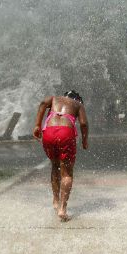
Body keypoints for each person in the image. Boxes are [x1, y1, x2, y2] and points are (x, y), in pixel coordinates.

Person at [33, 91, 88, 221]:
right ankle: (62, 209)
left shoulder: (54, 98)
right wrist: (85, 140)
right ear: (78, 99)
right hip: (65, 132)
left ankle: (56, 200)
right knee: (67, 173)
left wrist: (37, 125)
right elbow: (84, 124)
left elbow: (42, 104)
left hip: (49, 131)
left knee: (55, 165)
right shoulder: (77, 104)